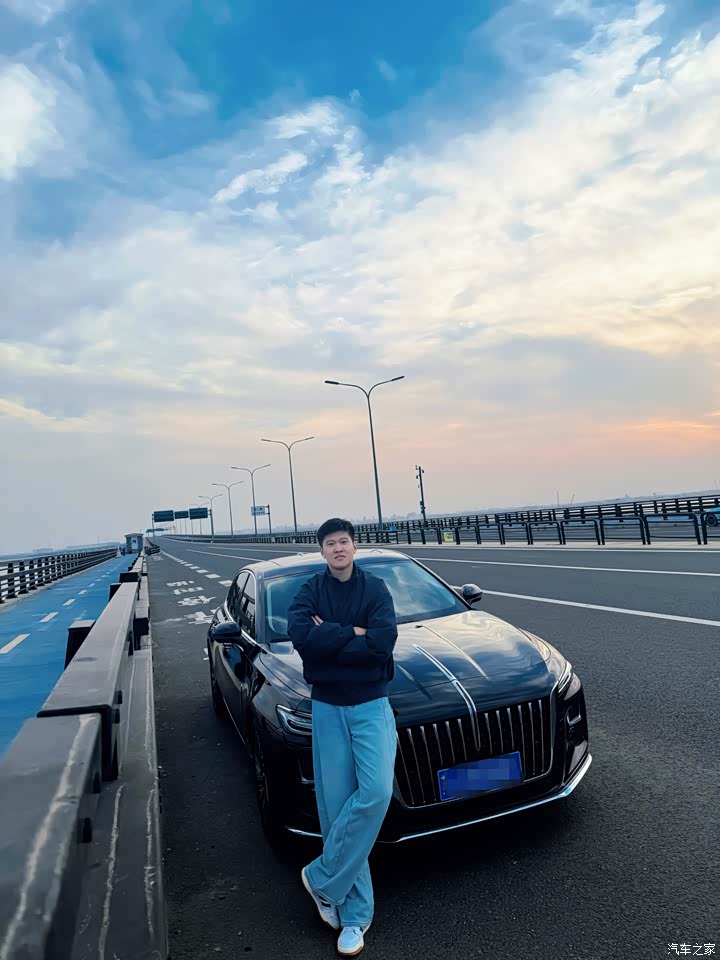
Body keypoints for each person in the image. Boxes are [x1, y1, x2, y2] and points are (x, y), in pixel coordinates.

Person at [287, 517, 398, 958]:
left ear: (354, 546)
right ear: (322, 551)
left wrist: (328, 638)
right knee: (337, 811)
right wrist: (354, 633)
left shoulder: (376, 589)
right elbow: (302, 637)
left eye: (344, 541)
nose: (338, 548)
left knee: (376, 793)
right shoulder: (309, 591)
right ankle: (354, 915)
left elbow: (382, 644)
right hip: (328, 707)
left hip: (371, 704)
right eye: (330, 543)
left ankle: (321, 878)